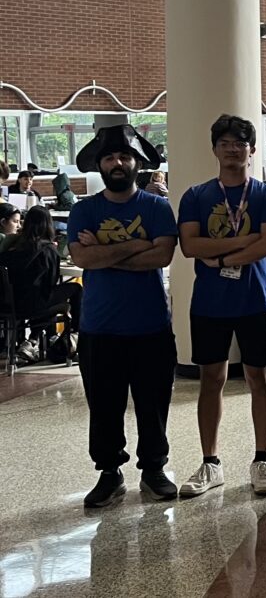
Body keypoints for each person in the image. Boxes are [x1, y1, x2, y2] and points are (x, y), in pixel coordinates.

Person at [177, 114, 266, 498]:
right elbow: (191, 246)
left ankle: (261, 460)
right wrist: (247, 241)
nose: (232, 150)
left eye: (239, 144)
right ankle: (211, 463)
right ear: (214, 150)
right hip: (210, 303)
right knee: (212, 379)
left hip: (256, 300)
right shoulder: (196, 196)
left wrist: (221, 258)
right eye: (224, 143)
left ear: (251, 151)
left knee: (260, 378)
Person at [68, 124, 178, 507]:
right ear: (100, 164)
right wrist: (138, 245)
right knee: (104, 406)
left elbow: (162, 255)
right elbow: (82, 259)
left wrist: (106, 251)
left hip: (150, 326)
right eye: (111, 157)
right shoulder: (84, 209)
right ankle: (109, 472)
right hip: (99, 328)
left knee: (153, 403)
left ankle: (154, 469)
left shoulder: (156, 207)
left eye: (125, 156)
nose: (118, 162)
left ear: (137, 163)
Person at [0, 205, 83, 339]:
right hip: (32, 306)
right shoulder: (48, 249)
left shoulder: (13, 245)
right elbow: (50, 283)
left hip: (7, 305)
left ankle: (35, 339)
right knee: (76, 289)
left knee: (42, 294)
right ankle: (75, 334)